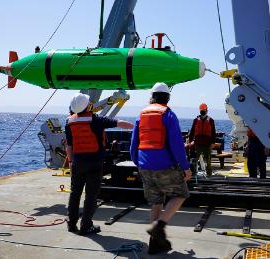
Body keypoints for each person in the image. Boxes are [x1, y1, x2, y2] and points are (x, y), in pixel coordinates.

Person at [130, 82, 192, 254]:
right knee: (181, 194)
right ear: (167, 97)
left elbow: (133, 144)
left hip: (144, 165)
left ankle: (154, 245)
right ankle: (159, 225)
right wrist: (186, 167)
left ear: (152, 97)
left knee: (156, 202)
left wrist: (138, 162)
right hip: (164, 165)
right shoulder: (169, 115)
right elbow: (177, 145)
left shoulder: (140, 115)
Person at [65, 93, 133, 235]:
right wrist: (138, 128)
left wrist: (70, 162)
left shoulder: (69, 122)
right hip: (95, 163)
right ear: (88, 105)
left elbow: (69, 146)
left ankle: (71, 224)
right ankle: (86, 226)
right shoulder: (96, 120)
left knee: (75, 193)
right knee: (91, 195)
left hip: (77, 162)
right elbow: (120, 123)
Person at [188, 103, 216, 176]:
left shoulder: (211, 120)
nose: (203, 111)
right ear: (200, 111)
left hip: (207, 144)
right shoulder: (196, 120)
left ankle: (209, 175)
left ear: (207, 110)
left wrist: (213, 143)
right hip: (197, 144)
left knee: (208, 161)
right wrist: (190, 142)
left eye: (204, 110)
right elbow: (192, 131)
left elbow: (213, 132)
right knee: (194, 161)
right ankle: (193, 174)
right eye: (201, 110)